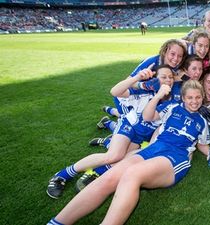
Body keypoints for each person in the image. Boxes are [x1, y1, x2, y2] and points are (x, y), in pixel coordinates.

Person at [47, 80, 210, 225]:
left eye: (197, 97)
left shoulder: (202, 122)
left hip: (175, 157)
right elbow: (148, 117)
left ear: (202, 98)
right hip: (155, 148)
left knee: (132, 174)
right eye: (190, 97)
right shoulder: (172, 107)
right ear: (183, 97)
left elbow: (202, 144)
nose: (194, 101)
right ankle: (56, 222)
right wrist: (158, 96)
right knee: (110, 176)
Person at [47, 65, 176, 198]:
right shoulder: (146, 91)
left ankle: (98, 169)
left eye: (170, 77)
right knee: (114, 156)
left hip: (141, 136)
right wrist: (138, 77)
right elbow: (115, 91)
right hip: (129, 127)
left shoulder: (172, 100)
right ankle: (61, 176)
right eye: (163, 77)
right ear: (155, 78)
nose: (168, 80)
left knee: (128, 158)